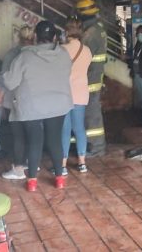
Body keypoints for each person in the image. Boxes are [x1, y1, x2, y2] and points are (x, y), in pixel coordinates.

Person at [0, 21, 73, 192]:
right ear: (55, 37)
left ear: (35, 37)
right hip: (58, 104)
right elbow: (67, 73)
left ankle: (32, 182)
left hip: (31, 107)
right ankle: (59, 179)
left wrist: (5, 76)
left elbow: (10, 82)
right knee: (55, 141)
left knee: (34, 142)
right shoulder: (63, 54)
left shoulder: (24, 57)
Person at [0, 25, 34, 180]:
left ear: (18, 37)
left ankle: (18, 169)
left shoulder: (12, 54)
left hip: (15, 98)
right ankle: (31, 163)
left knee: (18, 134)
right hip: (35, 99)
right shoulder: (39, 53)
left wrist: (0, 97)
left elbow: (3, 78)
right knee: (33, 133)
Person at [75, 0, 107, 156]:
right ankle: (92, 146)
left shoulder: (90, 33)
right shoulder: (97, 29)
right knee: (90, 115)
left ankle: (97, 148)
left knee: (92, 116)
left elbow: (80, 56)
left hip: (90, 81)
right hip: (93, 79)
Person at [61, 18, 93, 174]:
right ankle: (82, 162)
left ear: (66, 32)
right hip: (81, 93)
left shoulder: (61, 50)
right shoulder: (87, 51)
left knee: (65, 130)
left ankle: (62, 165)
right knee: (79, 128)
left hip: (64, 94)